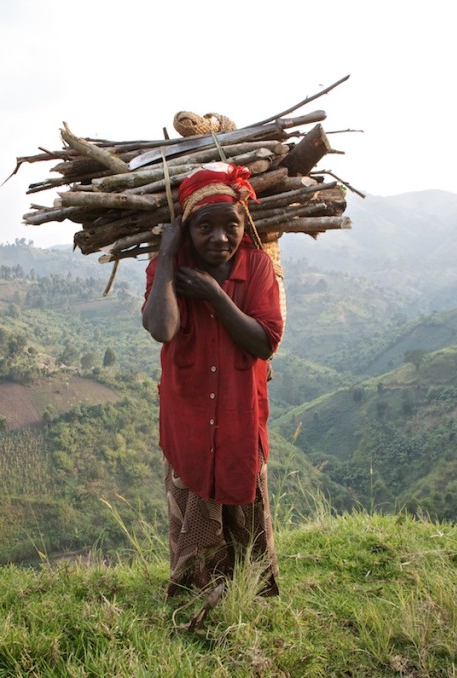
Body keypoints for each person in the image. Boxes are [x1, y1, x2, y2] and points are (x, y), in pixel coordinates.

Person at [142, 162, 284, 601]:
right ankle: (196, 589)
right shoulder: (167, 269)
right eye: (205, 227)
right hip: (188, 420)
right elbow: (161, 328)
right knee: (193, 501)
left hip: (241, 416)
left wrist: (213, 293)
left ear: (246, 224)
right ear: (187, 229)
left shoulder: (257, 267)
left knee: (245, 504)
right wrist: (166, 256)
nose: (220, 238)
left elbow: (264, 341)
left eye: (231, 225)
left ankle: (250, 592)